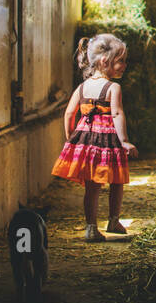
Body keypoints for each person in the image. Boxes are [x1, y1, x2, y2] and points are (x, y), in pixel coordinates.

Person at [51, 33, 137, 241]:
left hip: (86, 142)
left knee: (92, 186)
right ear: (105, 61)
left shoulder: (82, 87)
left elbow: (70, 113)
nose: (125, 65)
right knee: (117, 181)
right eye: (121, 61)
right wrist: (124, 140)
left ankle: (90, 227)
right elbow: (116, 114)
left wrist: (70, 136)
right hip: (108, 142)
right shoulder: (113, 88)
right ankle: (114, 220)